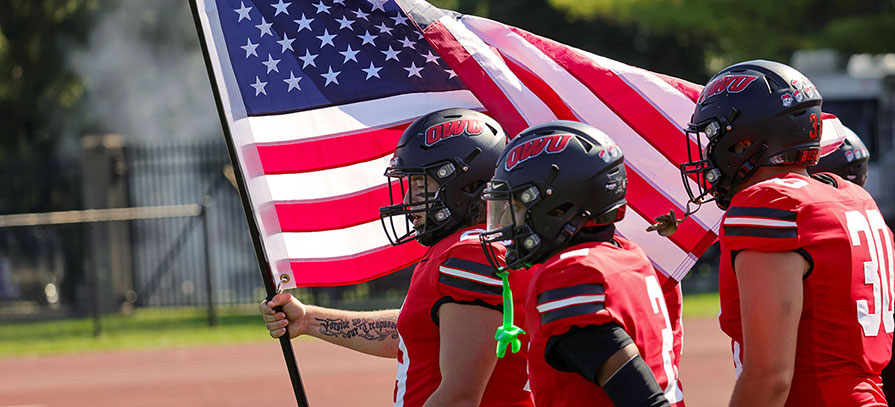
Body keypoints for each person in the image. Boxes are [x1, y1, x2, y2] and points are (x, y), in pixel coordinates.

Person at [260, 108, 533, 407]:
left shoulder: (472, 255)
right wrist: (310, 320)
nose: (406, 201)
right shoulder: (466, 248)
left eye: (418, 185)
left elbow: (459, 397)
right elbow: (418, 333)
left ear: (462, 186)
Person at [678, 59, 894, 406]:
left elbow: (771, 377)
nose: (708, 152)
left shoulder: (771, 203)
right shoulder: (854, 199)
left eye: (714, 136)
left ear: (743, 141)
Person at [480, 120, 684, 407]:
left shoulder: (570, 273)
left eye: (517, 206)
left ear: (559, 206)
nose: (504, 224)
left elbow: (642, 398)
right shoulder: (628, 254)